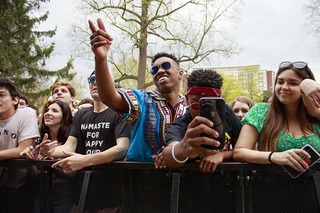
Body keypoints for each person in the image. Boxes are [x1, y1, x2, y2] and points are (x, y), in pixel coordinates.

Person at [89, 18, 188, 212]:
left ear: (181, 73)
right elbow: (110, 97)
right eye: (154, 69)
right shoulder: (142, 100)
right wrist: (101, 58)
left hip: (187, 187)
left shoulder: (191, 106)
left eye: (166, 66)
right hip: (142, 188)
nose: (159, 71)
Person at [233, 61, 320, 212]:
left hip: (313, 192)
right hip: (269, 192)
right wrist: (274, 156)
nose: (284, 87)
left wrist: (309, 85)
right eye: (280, 82)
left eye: (293, 83)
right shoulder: (261, 111)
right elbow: (239, 151)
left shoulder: (315, 117)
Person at [40, 71, 131, 212]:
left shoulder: (119, 112)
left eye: (100, 78)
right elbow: (69, 146)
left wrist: (85, 160)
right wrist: (49, 151)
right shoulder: (81, 115)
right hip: (82, 194)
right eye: (91, 79)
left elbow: (122, 149)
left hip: (110, 195)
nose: (95, 82)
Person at [161, 69, 242, 212]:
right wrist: (183, 148)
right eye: (196, 103)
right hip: (190, 197)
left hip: (228, 193)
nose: (201, 111)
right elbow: (169, 154)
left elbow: (244, 148)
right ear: (186, 99)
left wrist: (222, 155)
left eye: (211, 103)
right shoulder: (181, 124)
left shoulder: (228, 115)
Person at [21, 100, 74, 213]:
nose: (48, 113)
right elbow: (35, 176)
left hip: (64, 192)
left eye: (54, 110)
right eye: (47, 110)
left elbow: (74, 175)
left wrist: (51, 162)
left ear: (65, 116)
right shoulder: (38, 141)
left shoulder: (71, 140)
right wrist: (30, 161)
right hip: (41, 189)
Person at [0, 77, 40, 212]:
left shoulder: (26, 114)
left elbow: (22, 149)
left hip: (22, 186)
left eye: (1, 95)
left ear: (15, 99)